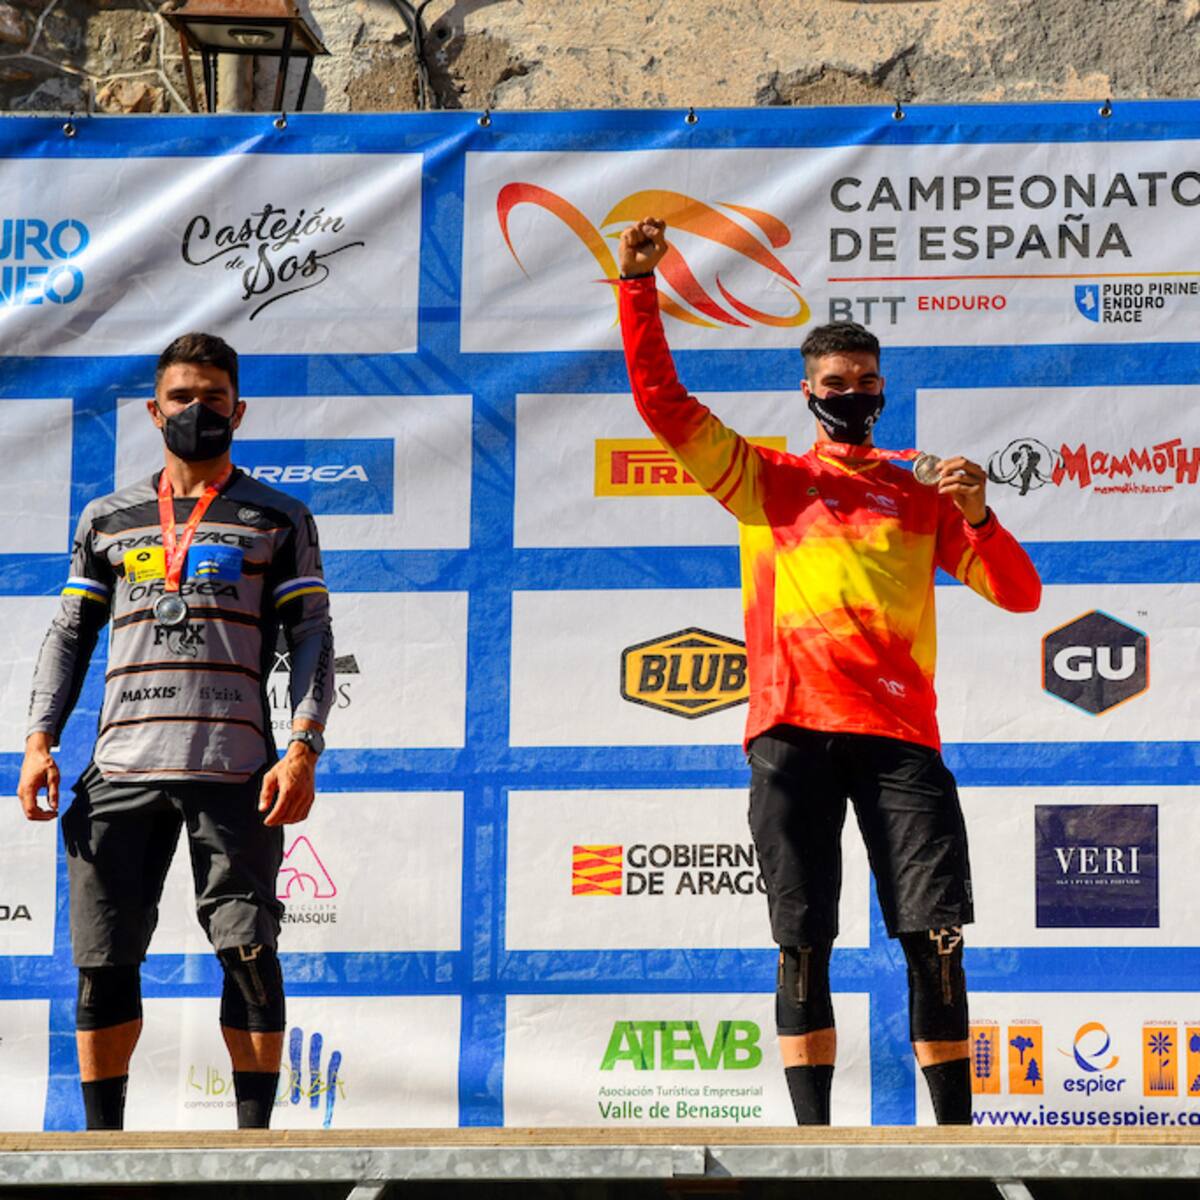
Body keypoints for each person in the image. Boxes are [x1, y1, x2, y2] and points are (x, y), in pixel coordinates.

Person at [616, 218, 1042, 1125]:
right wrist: (637, 286)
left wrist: (979, 515)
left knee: (937, 937)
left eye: (864, 384)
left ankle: (957, 1142)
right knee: (803, 940)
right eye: (833, 385)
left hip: (899, 739)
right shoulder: (761, 478)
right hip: (792, 729)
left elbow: (1019, 596)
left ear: (883, 390)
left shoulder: (922, 488)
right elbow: (661, 402)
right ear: (807, 393)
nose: (850, 395)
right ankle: (813, 1146)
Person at [17, 332, 334, 1131]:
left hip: (236, 768)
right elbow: (69, 634)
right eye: (183, 398)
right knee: (104, 962)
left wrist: (302, 747)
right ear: (154, 409)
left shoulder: (279, 516)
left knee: (249, 954)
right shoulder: (109, 517)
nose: (199, 412)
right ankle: (102, 1153)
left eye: (215, 399)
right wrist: (37, 739)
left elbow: (312, 638)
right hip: (121, 766)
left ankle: (256, 1150)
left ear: (240, 410)